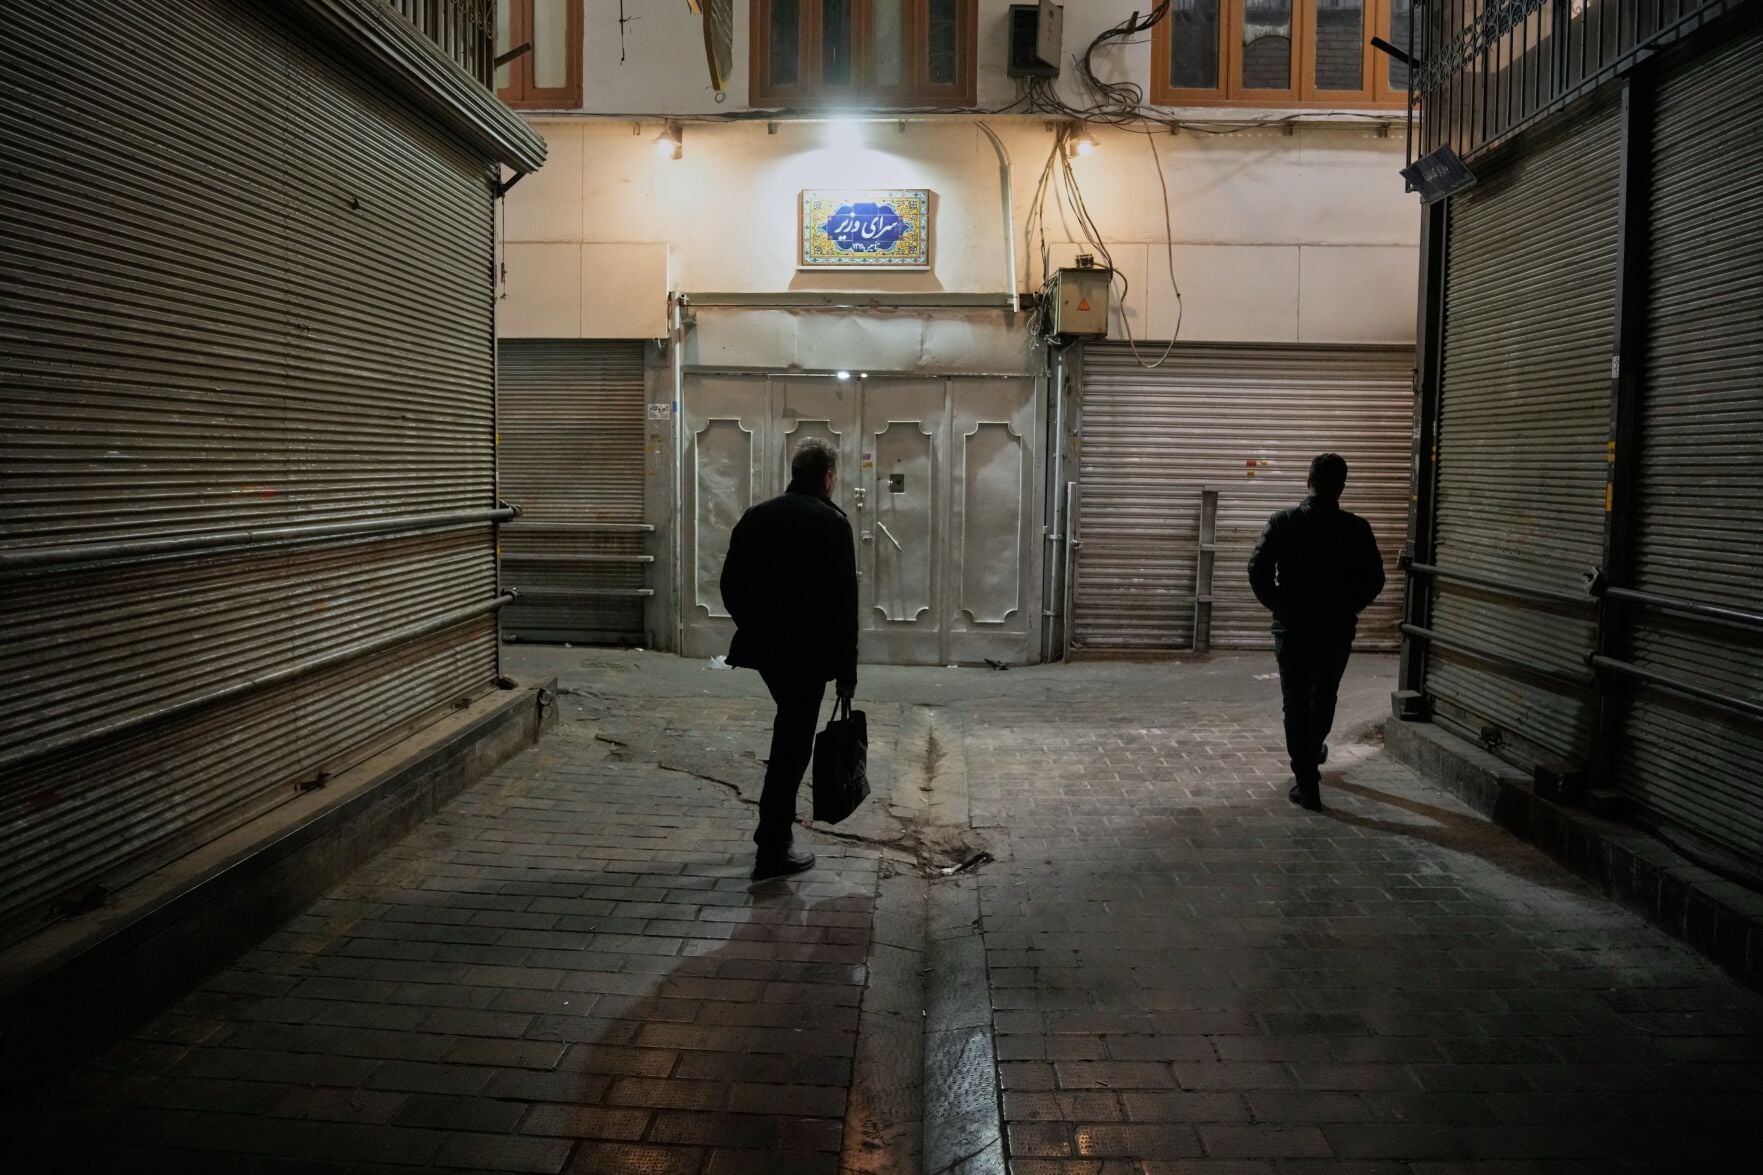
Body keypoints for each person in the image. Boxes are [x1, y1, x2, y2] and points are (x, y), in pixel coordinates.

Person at [719, 438, 859, 879]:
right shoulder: (833, 523)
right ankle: (773, 846)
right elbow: (844, 605)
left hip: (767, 651)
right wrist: (847, 671)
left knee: (790, 732)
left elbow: (730, 584)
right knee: (792, 746)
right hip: (810, 654)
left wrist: (756, 625)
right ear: (828, 478)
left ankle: (773, 838)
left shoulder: (757, 516)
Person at [1247, 452, 1385, 810]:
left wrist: (1278, 605)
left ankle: (1306, 780)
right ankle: (1311, 753)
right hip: (1336, 627)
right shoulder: (1356, 528)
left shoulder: (1283, 522)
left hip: (1292, 627)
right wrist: (1349, 606)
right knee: (1324, 695)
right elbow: (1375, 579)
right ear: (1341, 486)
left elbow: (1257, 569)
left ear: (1308, 482)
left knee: (1295, 700)